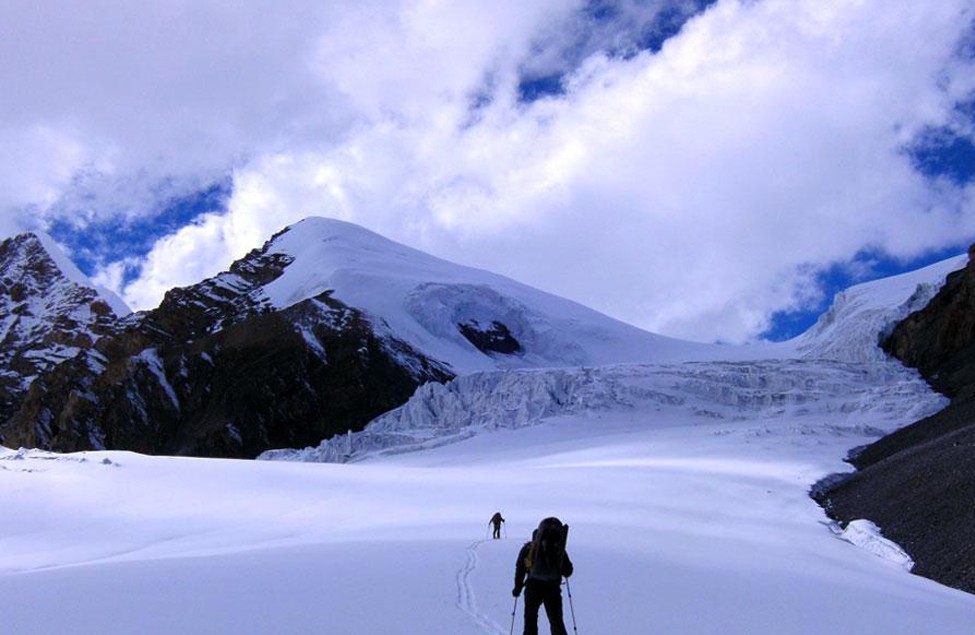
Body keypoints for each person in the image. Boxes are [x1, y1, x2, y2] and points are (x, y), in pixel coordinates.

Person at [512, 517, 573, 635]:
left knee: (530, 621)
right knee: (556, 622)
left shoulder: (529, 548)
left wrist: (517, 589)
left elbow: (520, 568)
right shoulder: (558, 549)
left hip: (533, 587)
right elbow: (568, 571)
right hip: (553, 588)